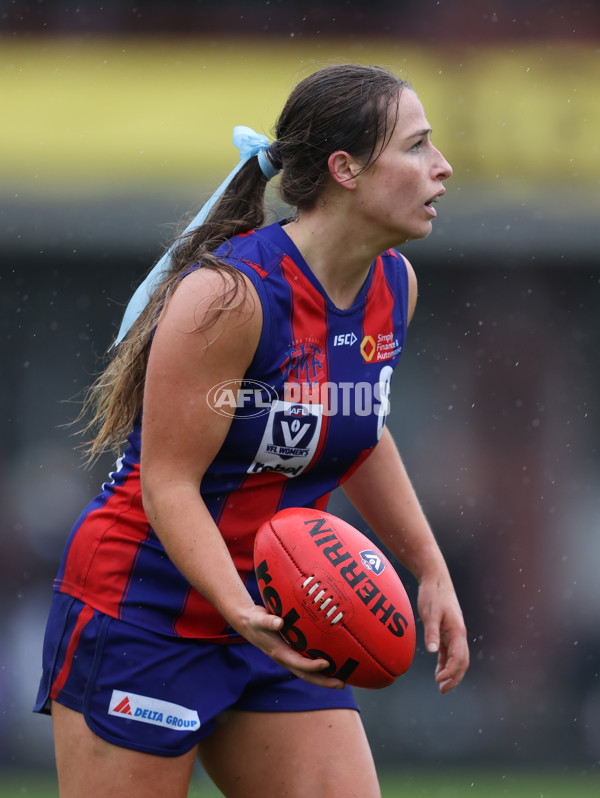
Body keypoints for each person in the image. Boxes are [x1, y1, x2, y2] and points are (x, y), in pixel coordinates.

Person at [35, 63, 469, 798]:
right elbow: (167, 482)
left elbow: (357, 427)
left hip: (281, 615)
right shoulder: (231, 297)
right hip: (146, 612)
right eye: (417, 146)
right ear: (346, 170)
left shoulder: (394, 284)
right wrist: (236, 609)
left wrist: (429, 565)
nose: (442, 166)